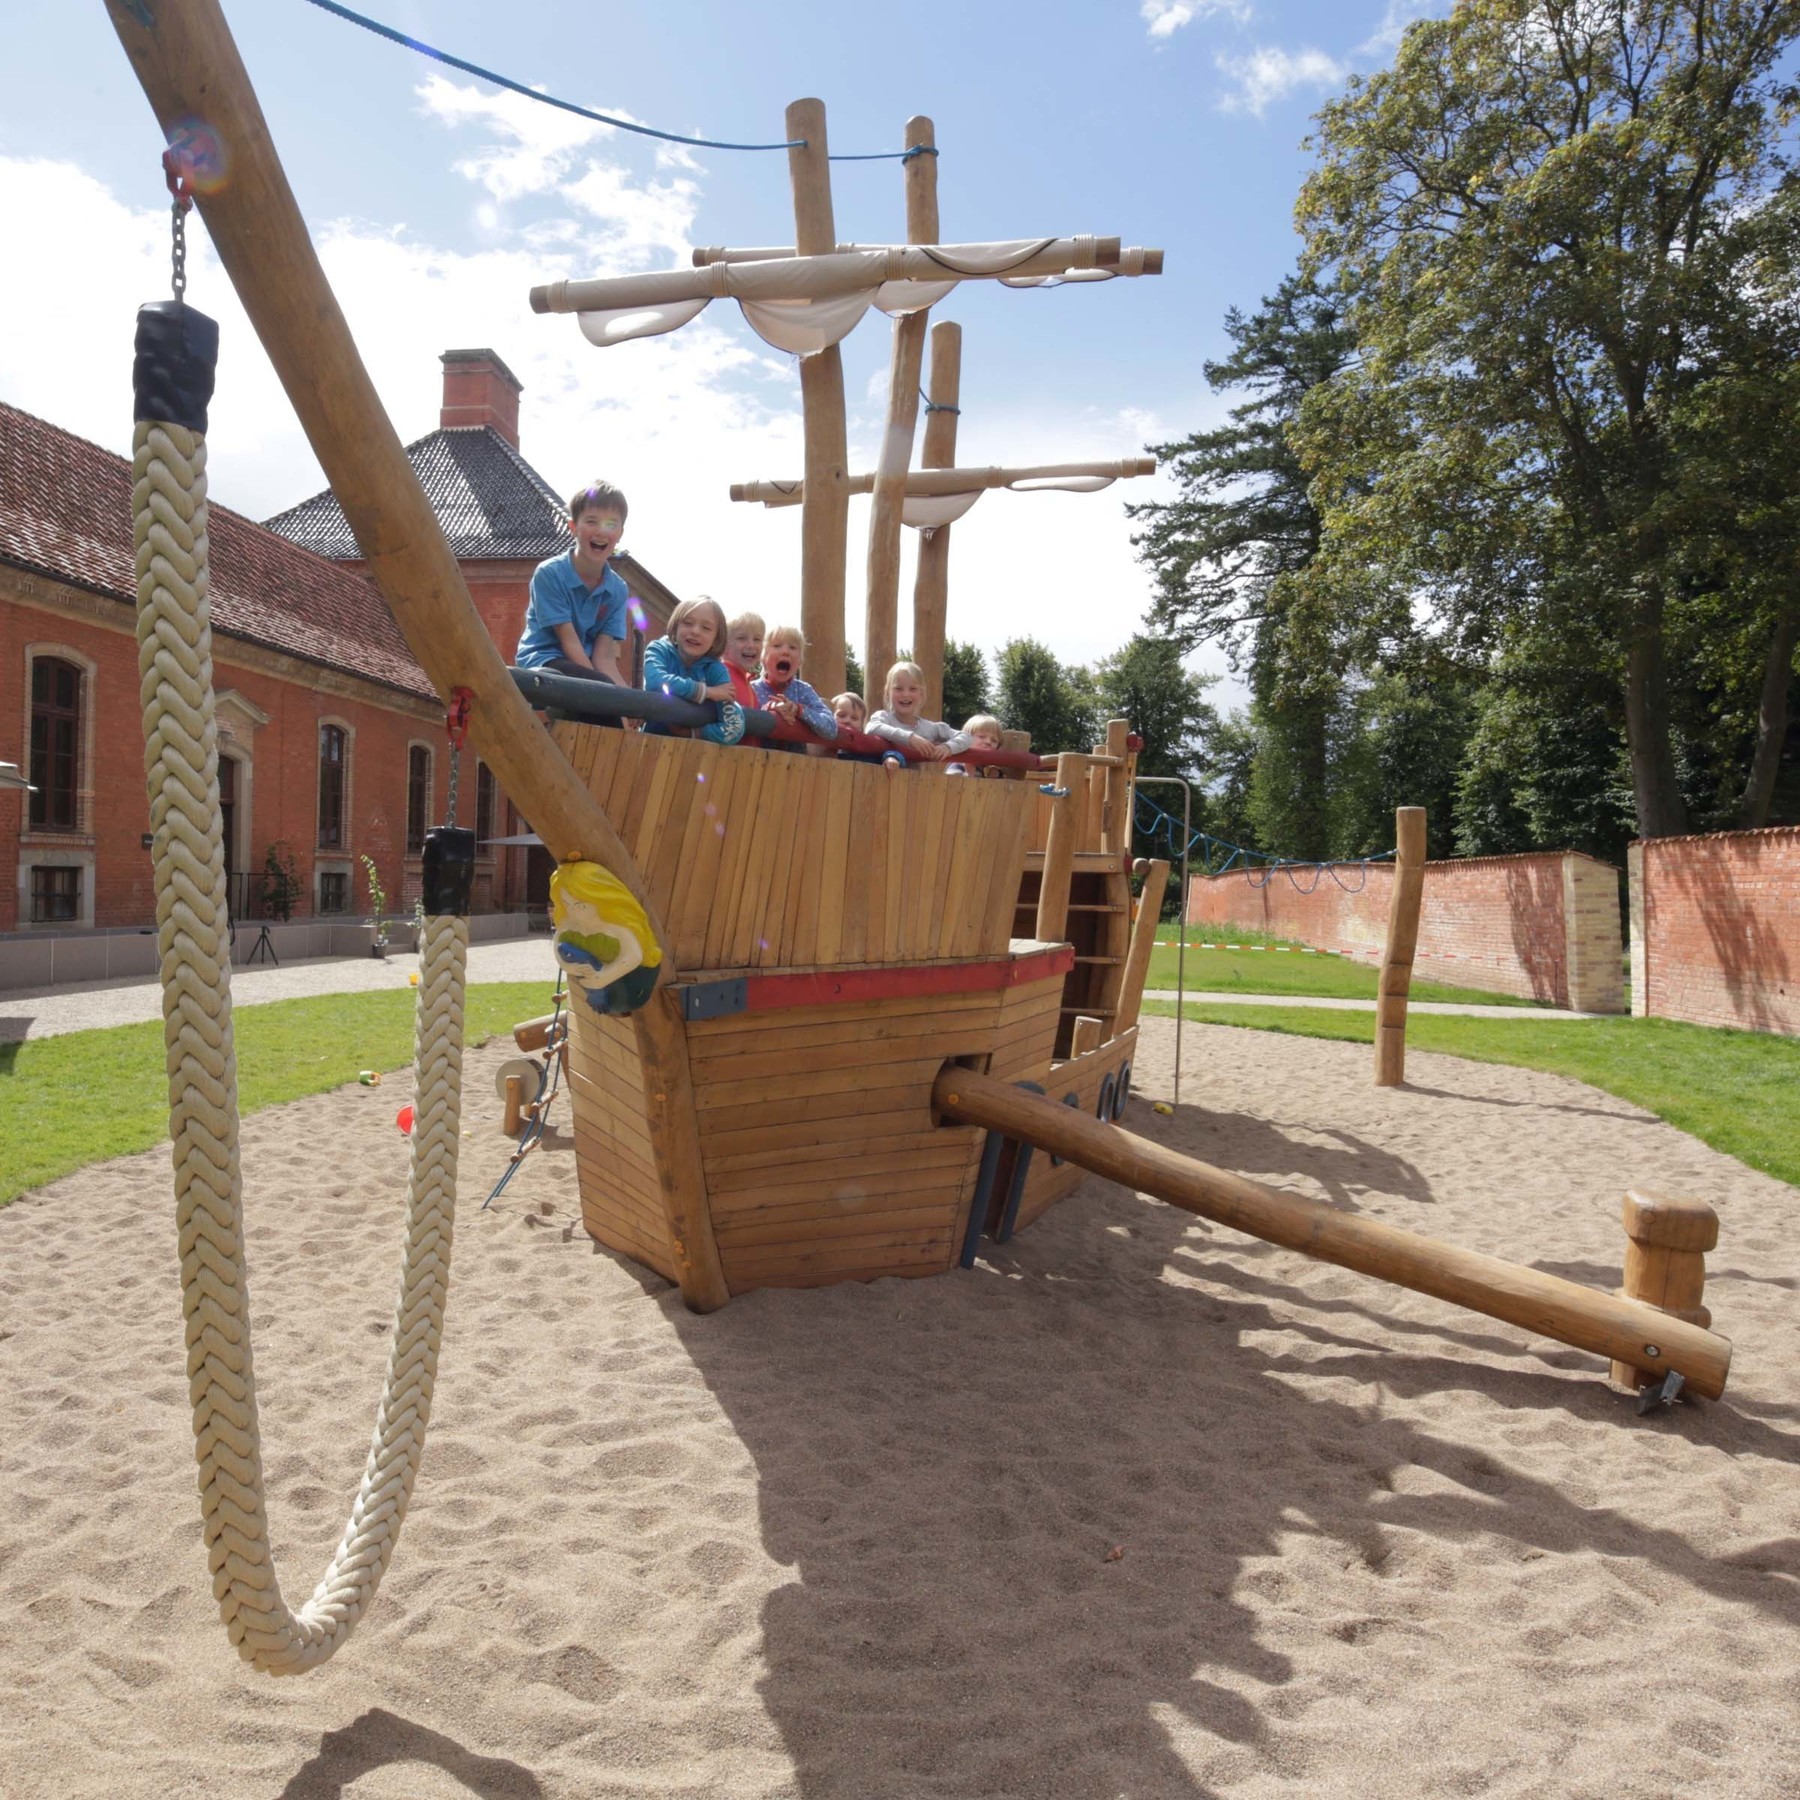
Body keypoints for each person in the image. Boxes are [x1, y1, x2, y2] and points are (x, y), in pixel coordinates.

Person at [513, 480, 634, 685]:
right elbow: (569, 642)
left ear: (620, 533)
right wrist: (605, 691)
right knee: (602, 696)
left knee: (618, 705)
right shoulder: (550, 574)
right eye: (592, 521)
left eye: (611, 524)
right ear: (573, 527)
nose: (601, 532)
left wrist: (630, 704)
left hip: (585, 670)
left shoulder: (618, 590)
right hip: (544, 662)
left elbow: (603, 657)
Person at [642, 597, 745, 745]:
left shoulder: (716, 670)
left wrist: (694, 733)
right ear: (675, 626)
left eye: (706, 628)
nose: (695, 631)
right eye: (688, 623)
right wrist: (707, 692)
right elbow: (656, 682)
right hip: (649, 743)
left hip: (694, 754)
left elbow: (734, 726)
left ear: (716, 639)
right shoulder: (659, 649)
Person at [867, 661, 970, 772]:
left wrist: (948, 747)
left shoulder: (930, 729)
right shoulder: (884, 718)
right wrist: (910, 738)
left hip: (915, 785)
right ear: (888, 692)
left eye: (913, 689)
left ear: (921, 693)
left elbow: (966, 737)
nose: (906, 694)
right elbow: (871, 728)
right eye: (898, 689)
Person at [753, 625, 838, 745]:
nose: (785, 652)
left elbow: (831, 728)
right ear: (763, 657)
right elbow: (738, 719)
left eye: (793, 647)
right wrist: (769, 710)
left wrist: (799, 710)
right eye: (777, 646)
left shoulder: (803, 691)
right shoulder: (752, 689)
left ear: (800, 662)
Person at [723, 611, 764, 710]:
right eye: (742, 638)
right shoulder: (721, 674)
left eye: (757, 639)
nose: (751, 645)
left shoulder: (749, 683)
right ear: (724, 645)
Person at [947, 712, 1004, 777]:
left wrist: (995, 776)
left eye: (994, 740)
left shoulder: (989, 768)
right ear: (965, 739)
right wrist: (968, 775)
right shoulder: (959, 763)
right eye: (981, 736)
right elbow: (949, 782)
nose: (988, 742)